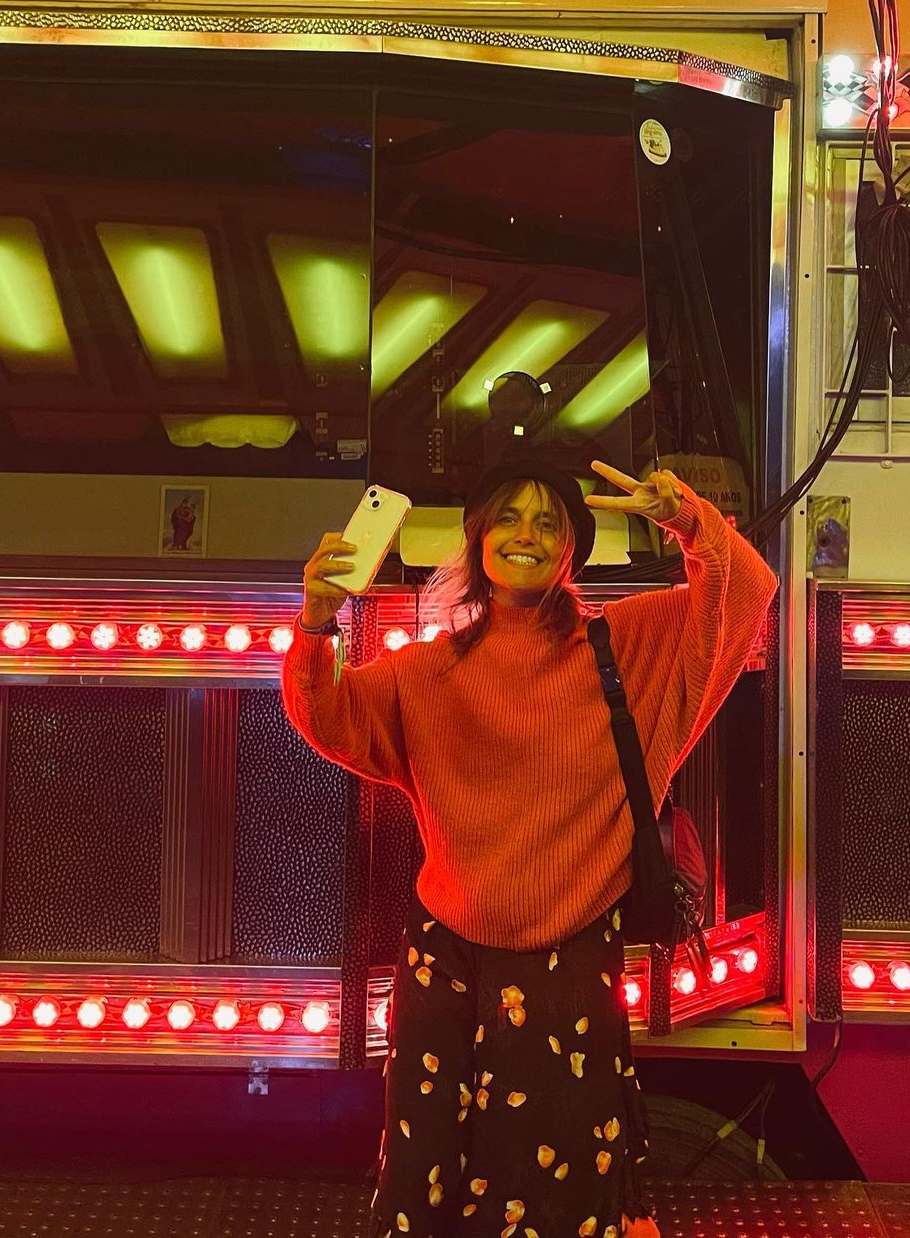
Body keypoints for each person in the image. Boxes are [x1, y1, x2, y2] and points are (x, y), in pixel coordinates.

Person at [282, 456, 777, 1238]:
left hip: (567, 973)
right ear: (479, 537)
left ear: (571, 549)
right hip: (444, 965)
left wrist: (686, 518)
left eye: (549, 522)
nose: (527, 535)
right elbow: (330, 718)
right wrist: (315, 626)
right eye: (509, 517)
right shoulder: (427, 670)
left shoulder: (625, 647)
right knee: (425, 1187)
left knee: (560, 1199)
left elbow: (748, 589)